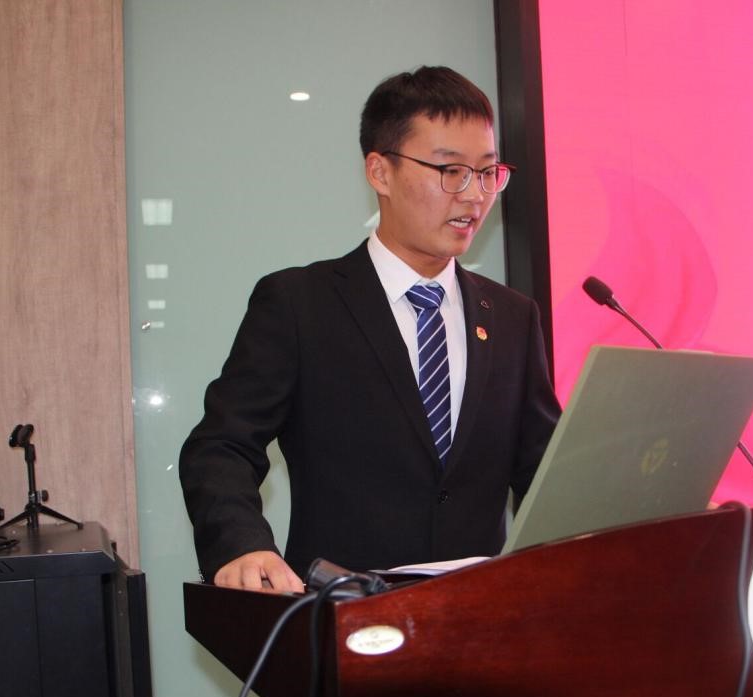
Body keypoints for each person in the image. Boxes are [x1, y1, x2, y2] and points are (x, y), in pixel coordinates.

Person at [180, 66, 559, 595]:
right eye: (451, 170)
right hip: (341, 616)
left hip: (478, 619)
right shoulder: (299, 304)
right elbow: (222, 445)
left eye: (487, 172)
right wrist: (241, 544)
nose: (475, 195)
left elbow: (545, 474)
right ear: (380, 172)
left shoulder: (513, 317)